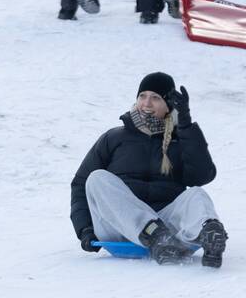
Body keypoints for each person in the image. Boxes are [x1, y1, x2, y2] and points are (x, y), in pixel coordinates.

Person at [69, 71, 228, 267]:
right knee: (96, 179)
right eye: (142, 96)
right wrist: (84, 228)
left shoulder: (180, 140)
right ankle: (153, 233)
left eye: (156, 98)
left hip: (167, 227)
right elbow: (80, 183)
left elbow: (202, 176)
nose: (147, 103)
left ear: (169, 105)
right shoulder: (114, 138)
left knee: (196, 194)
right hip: (119, 224)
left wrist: (185, 126)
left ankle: (209, 233)